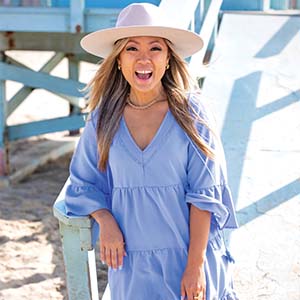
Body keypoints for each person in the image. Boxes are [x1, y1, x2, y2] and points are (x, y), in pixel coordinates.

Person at [64, 2, 239, 300]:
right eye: (132, 48)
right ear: (118, 59)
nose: (143, 58)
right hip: (132, 266)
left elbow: (205, 196)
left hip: (189, 259)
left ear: (169, 58)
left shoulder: (192, 114)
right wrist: (105, 220)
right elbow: (83, 183)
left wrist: (194, 267)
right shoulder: (103, 119)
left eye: (155, 48)